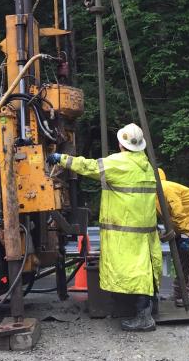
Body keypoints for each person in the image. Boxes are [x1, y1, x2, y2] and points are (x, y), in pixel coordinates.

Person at [47, 123, 158, 331]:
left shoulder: (120, 163)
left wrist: (60, 158)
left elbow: (88, 166)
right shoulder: (145, 164)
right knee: (144, 268)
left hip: (126, 231)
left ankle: (144, 317)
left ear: (120, 144)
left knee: (134, 271)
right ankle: (150, 308)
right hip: (143, 229)